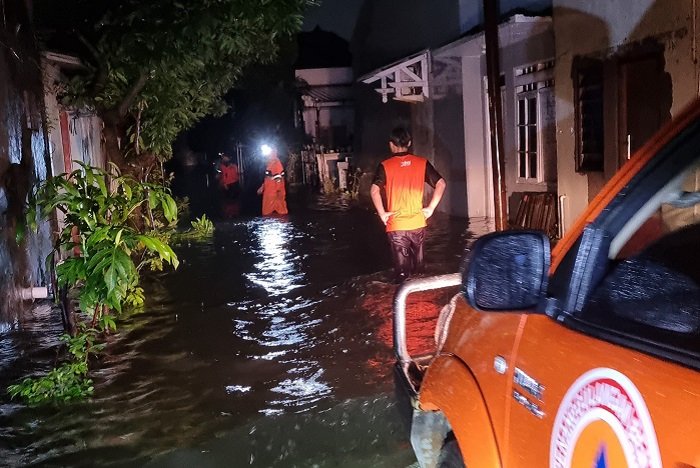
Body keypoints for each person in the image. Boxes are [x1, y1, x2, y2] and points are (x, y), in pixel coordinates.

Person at [371, 126, 446, 283]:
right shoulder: (422, 163)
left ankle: (404, 303)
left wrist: (383, 214)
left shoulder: (385, 165)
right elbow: (441, 184)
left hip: (397, 226)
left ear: (391, 144)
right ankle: (421, 301)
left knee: (402, 275)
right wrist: (431, 208)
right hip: (418, 223)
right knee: (419, 271)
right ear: (409, 143)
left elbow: (374, 191)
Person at [257, 147, 288, 216]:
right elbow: (268, 178)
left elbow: (278, 179)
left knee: (278, 213)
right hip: (270, 193)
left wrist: (278, 191)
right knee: (269, 213)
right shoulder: (270, 164)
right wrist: (262, 187)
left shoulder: (275, 164)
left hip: (274, 194)